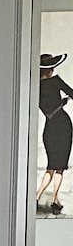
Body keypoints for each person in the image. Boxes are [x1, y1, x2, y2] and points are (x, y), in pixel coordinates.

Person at [36, 52, 73, 214]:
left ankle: (37, 197)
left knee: (51, 166)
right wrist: (63, 102)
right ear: (51, 69)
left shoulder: (35, 87)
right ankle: (54, 199)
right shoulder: (56, 81)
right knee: (59, 167)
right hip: (63, 125)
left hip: (49, 127)